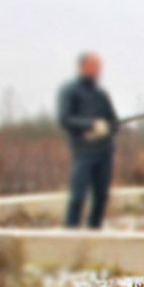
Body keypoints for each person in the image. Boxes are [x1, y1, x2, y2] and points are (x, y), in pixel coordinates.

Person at [57, 52, 119, 229]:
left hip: (104, 151)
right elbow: (65, 119)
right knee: (78, 196)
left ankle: (95, 230)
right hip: (83, 151)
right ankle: (70, 232)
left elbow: (114, 121)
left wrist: (108, 127)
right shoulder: (69, 91)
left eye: (99, 66)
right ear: (82, 67)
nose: (98, 70)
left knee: (101, 196)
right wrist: (90, 125)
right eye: (94, 66)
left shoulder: (101, 93)